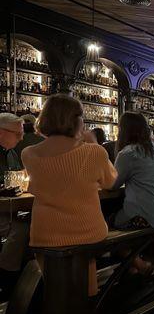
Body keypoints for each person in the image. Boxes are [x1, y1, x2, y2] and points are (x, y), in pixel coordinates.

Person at [22, 94, 117, 296]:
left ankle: (58, 311)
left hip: (44, 235)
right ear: (77, 121)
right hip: (87, 232)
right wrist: (93, 144)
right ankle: (87, 305)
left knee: (56, 291)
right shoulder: (94, 152)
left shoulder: (28, 154)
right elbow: (111, 182)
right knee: (85, 280)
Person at [112, 112, 154, 232]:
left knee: (109, 221)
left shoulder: (128, 153)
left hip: (149, 218)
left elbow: (113, 184)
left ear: (123, 130)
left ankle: (129, 251)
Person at [0, 113, 25, 299]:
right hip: (3, 212)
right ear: (2, 132)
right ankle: (8, 279)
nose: (22, 138)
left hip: (10, 207)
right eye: (18, 134)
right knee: (21, 229)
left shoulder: (12, 152)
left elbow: (18, 177)